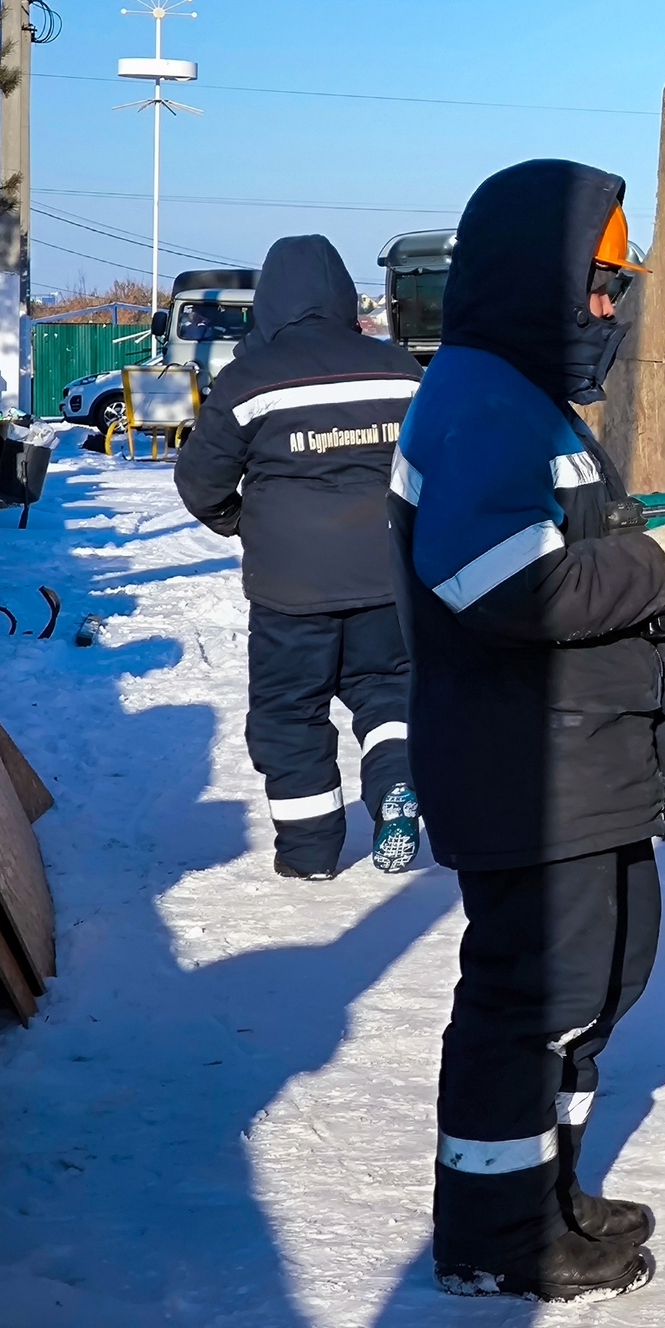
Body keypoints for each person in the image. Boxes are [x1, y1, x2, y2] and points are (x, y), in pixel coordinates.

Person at [389, 159, 665, 1303]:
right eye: (593, 284)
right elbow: (506, 582)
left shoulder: (519, 398)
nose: (607, 310)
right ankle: (496, 1235)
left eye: (617, 286)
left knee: (596, 985)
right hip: (526, 769)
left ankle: (543, 1190)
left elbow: (563, 536)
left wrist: (655, 528)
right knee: (532, 999)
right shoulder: (485, 401)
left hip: (577, 759)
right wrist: (662, 562)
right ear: (527, 276)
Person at [177, 233, 425, 880]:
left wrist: (241, 522)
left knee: (291, 712)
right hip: (388, 578)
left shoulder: (249, 378)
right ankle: (397, 787)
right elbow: (440, 465)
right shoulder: (399, 369)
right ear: (343, 294)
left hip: (290, 588)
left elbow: (199, 480)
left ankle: (311, 854)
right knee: (388, 692)